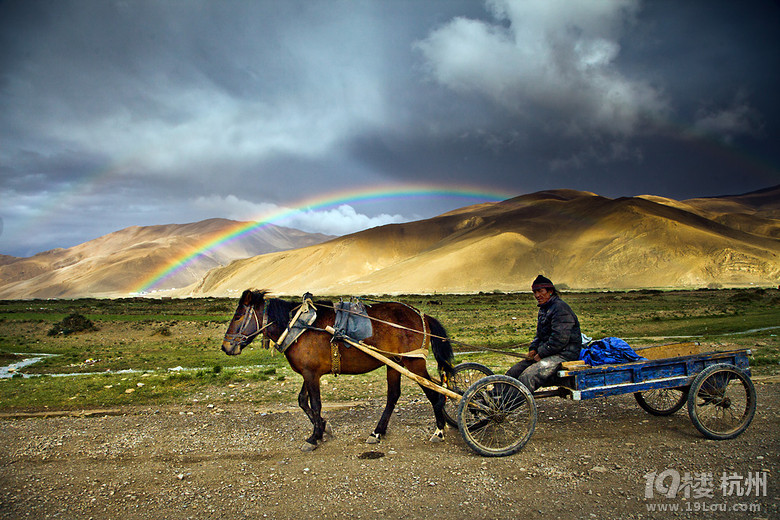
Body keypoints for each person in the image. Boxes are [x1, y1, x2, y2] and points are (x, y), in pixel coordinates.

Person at [506, 275, 582, 393]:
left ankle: (505, 406)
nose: (537, 295)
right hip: (550, 352)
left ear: (550, 291)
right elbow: (539, 335)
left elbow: (560, 339)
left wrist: (541, 353)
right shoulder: (544, 309)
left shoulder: (560, 308)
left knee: (528, 377)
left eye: (540, 291)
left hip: (564, 354)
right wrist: (533, 349)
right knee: (513, 372)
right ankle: (492, 399)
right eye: (534, 292)